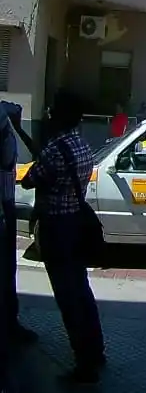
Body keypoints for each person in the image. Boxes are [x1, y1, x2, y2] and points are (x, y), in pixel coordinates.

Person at [19, 91, 106, 384]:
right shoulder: (82, 146)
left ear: (58, 116)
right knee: (81, 291)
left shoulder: (55, 149)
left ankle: (84, 365)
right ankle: (96, 351)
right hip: (75, 225)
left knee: (67, 298)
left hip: (56, 227)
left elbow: (31, 180)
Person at [0, 102, 38, 352]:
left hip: (7, 203)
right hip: (3, 205)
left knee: (7, 269)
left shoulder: (4, 117)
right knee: (4, 270)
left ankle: (9, 324)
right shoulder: (2, 119)